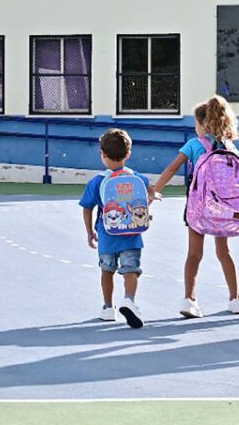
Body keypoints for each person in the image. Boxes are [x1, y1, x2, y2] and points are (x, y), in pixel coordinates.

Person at [153, 95, 239, 318]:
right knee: (223, 252)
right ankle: (236, 298)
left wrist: (155, 190)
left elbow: (171, 169)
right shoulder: (230, 147)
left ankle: (189, 300)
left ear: (203, 124)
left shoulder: (194, 144)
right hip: (224, 209)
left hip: (198, 208)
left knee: (194, 253)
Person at [79, 128, 156, 329]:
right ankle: (129, 299)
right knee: (131, 269)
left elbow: (87, 208)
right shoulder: (137, 177)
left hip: (107, 235)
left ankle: (107, 308)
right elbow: (149, 193)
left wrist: (90, 232)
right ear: (128, 154)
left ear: (102, 154)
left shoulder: (97, 181)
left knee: (107, 270)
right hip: (131, 234)